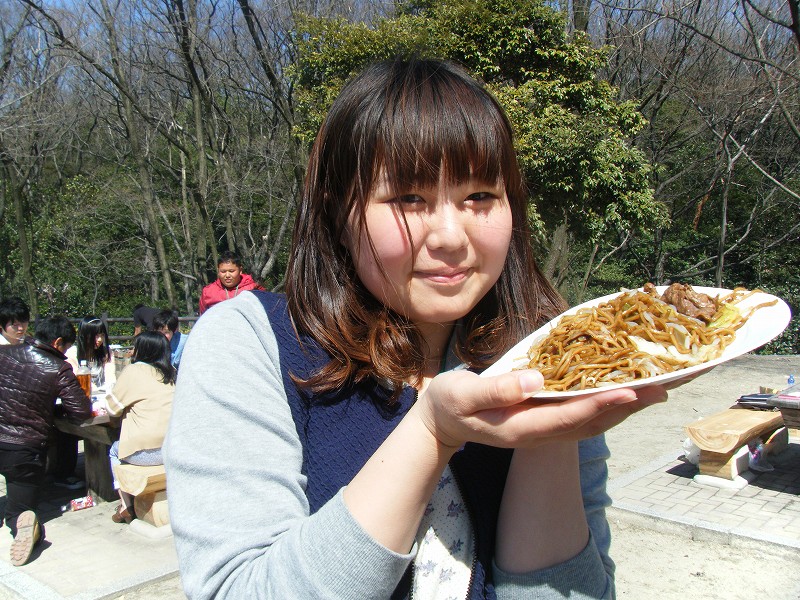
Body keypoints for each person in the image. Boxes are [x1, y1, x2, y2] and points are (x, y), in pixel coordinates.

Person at [164, 58, 668, 599]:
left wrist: (553, 422)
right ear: (337, 213)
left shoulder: (552, 356)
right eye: (409, 198)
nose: (451, 236)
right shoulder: (247, 343)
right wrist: (432, 433)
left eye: (480, 196)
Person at [0, 316, 92, 566]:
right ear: (58, 342)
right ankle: (29, 528)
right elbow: (81, 411)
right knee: (18, 511)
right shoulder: (58, 367)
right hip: (24, 449)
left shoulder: (3, 353)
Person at [106, 331, 176, 523]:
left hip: (144, 453)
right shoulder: (171, 372)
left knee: (114, 451)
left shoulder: (134, 371)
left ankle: (125, 505)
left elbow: (111, 408)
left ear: (142, 350)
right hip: (172, 448)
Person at [58, 316, 117, 489]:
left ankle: (111, 471)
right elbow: (75, 384)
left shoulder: (106, 353)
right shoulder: (73, 354)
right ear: (85, 336)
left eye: (102, 335)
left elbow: (111, 381)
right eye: (95, 335)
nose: (99, 340)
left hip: (102, 402)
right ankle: (64, 473)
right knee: (68, 430)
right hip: (80, 403)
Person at [197, 251, 264, 315]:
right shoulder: (208, 292)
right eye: (223, 271)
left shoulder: (254, 289)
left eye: (231, 271)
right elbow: (203, 318)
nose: (227, 275)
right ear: (218, 271)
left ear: (240, 270)